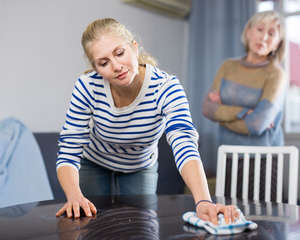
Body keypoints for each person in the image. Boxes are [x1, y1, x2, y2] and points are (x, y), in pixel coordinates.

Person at [55, 18, 238, 225]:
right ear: (96, 68)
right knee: (91, 225)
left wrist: (204, 201)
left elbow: (184, 143)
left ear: (134, 47)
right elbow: (69, 151)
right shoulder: (87, 87)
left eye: (120, 53)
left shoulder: (166, 87)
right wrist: (74, 196)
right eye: (104, 63)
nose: (116, 66)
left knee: (141, 226)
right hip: (94, 161)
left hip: (140, 165)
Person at [202, 11, 286, 200]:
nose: (263, 37)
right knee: (229, 218)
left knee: (263, 221)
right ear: (248, 32)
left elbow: (257, 126)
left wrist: (222, 116)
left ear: (278, 43)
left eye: (271, 34)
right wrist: (242, 112)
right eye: (259, 29)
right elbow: (207, 108)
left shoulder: (276, 74)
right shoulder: (228, 67)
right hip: (228, 156)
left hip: (263, 160)